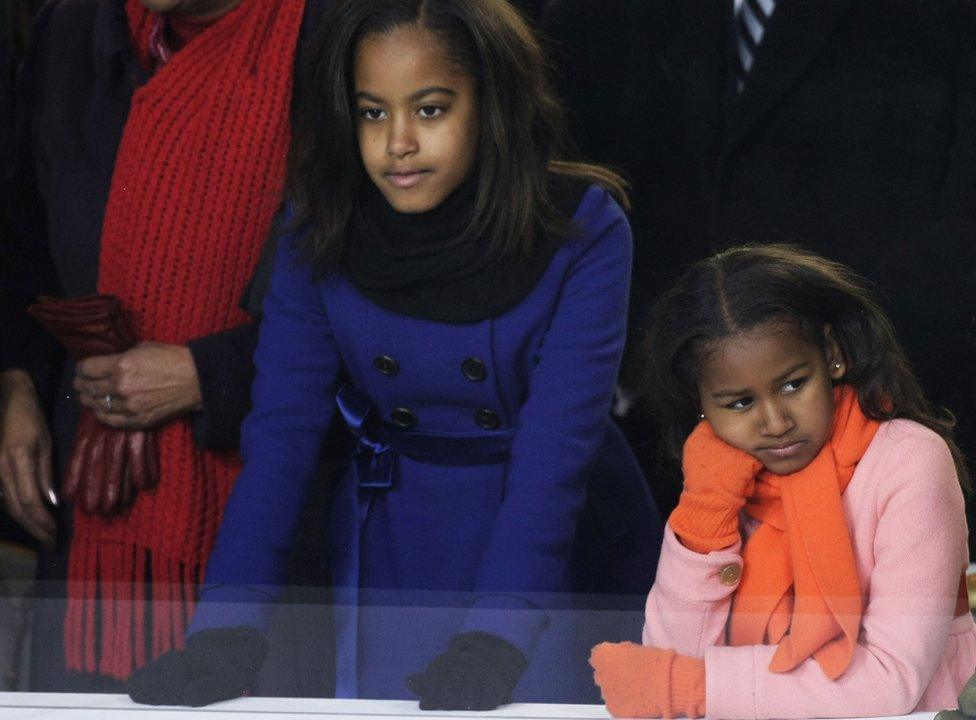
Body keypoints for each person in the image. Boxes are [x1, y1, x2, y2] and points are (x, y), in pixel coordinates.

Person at [127, 0, 663, 709]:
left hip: (553, 555)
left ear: (491, 104)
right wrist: (226, 630)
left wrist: (497, 639)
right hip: (392, 536)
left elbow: (554, 460)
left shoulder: (585, 228)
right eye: (373, 113)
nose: (397, 143)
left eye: (431, 110)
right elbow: (280, 439)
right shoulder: (317, 224)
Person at [542, 0, 976, 542]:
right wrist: (655, 365)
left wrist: (847, 363)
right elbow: (564, 170)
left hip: (898, 416)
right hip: (657, 447)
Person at [0, 0, 331, 691]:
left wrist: (210, 375)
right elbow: (21, 237)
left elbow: (395, 288)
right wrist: (18, 383)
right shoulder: (73, 34)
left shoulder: (337, 32)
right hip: (90, 499)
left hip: (279, 511)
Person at [590, 244, 976, 718]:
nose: (774, 423)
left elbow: (892, 679)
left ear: (832, 355)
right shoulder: (722, 474)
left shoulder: (909, 462)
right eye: (738, 403)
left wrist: (698, 689)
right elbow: (674, 654)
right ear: (701, 402)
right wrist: (704, 514)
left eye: (794, 384)